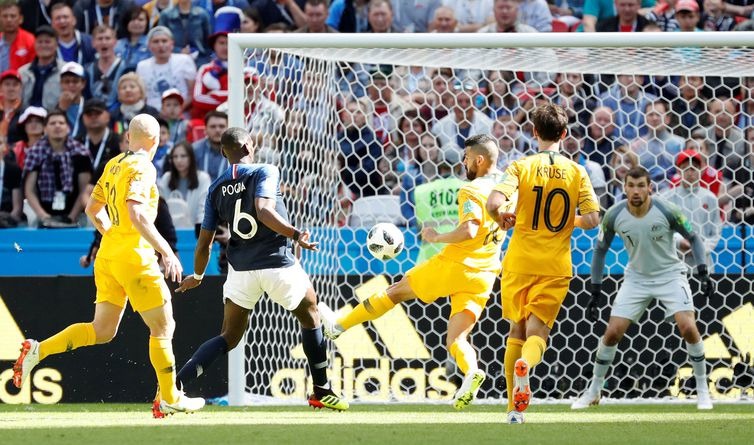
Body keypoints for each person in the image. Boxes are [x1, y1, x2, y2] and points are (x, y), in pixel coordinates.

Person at [13, 113, 205, 416]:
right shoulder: (144, 166)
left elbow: (92, 209)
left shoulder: (115, 163)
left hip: (108, 255)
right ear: (156, 142)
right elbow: (138, 214)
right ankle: (169, 397)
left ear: (128, 138)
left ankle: (38, 350)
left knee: (101, 330)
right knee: (163, 326)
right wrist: (166, 251)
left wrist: (114, 236)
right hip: (134, 258)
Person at [320, 135, 508, 411]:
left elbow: (468, 230)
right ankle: (472, 372)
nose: (464, 162)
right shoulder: (506, 187)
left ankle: (338, 326)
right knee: (456, 339)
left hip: (457, 264)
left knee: (395, 292)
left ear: (479, 160)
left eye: (467, 158)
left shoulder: (471, 190)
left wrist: (436, 236)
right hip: (486, 272)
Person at [173, 126, 349, 411]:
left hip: (240, 271)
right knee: (312, 315)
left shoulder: (215, 187)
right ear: (249, 146)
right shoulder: (265, 170)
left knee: (228, 337)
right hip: (276, 264)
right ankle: (321, 390)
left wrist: (199, 275)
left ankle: (173, 389)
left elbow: (204, 243)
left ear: (223, 152)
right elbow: (264, 211)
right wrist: (295, 234)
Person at [485, 103, 601, 424]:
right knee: (538, 332)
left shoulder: (520, 167)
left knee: (515, 329)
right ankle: (527, 365)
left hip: (519, 261)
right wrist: (565, 221)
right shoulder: (577, 171)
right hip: (555, 264)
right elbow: (592, 219)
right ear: (564, 134)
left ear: (534, 132)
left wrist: (502, 216)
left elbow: (494, 203)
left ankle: (513, 410)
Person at [572, 166, 714, 410]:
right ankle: (594, 390)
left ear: (650, 187)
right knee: (613, 332)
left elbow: (694, 238)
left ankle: (702, 389)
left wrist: (702, 271)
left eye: (640, 186)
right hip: (636, 278)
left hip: (670, 275)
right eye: (631, 185)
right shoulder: (614, 214)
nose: (635, 191)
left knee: (688, 326)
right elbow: (600, 250)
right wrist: (595, 290)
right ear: (624, 187)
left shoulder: (667, 210)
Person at [158, 140, 211, 229]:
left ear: (191, 158)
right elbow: (161, 209)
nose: (179, 160)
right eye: (175, 157)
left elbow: (203, 211)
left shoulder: (203, 178)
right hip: (170, 231)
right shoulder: (166, 178)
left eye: (183, 156)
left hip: (195, 231)